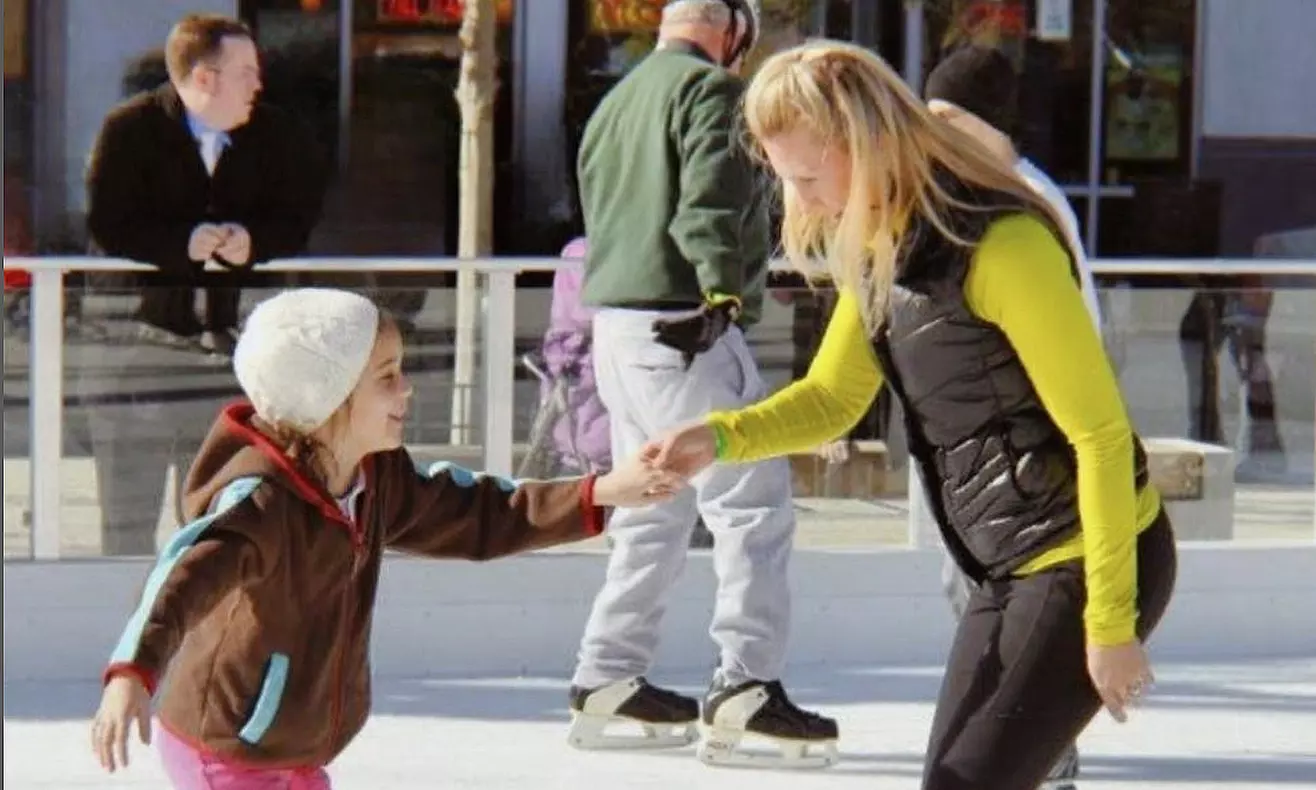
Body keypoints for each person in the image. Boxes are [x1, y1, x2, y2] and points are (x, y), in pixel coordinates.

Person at [645, 41, 1177, 790]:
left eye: (806, 175)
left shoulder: (1002, 245)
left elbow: (1101, 437)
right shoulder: (881, 249)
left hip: (1084, 557)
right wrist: (719, 436)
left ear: (862, 145)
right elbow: (833, 400)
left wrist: (1112, 624)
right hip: (1004, 567)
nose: (801, 202)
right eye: (784, 177)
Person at [89, 288, 684, 789]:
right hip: (228, 750)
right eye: (386, 377)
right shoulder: (261, 505)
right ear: (327, 398)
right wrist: (131, 673)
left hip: (291, 749)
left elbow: (479, 511)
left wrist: (599, 491)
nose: (407, 390)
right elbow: (180, 578)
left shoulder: (373, 479)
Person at [566, 0, 838, 769]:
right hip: (683, 324)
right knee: (753, 504)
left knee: (652, 506)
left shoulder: (618, 98)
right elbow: (709, 202)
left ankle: (607, 675)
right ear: (731, 32)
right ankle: (748, 687)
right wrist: (723, 294)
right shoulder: (712, 93)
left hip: (615, 331)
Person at [923, 45, 1105, 789]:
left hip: (1027, 440)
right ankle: (1030, 750)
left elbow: (1066, 331)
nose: (930, 133)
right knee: (969, 593)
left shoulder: (1023, 202)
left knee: (1014, 603)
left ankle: (1042, 755)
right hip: (971, 442)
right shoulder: (962, 194)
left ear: (988, 123)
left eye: (946, 118)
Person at [86, 13, 327, 358]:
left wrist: (253, 242)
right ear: (204, 79)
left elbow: (298, 217)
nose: (258, 85)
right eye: (245, 74)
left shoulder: (279, 134)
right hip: (142, 338)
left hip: (256, 336)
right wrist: (181, 244)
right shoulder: (128, 131)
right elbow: (108, 225)